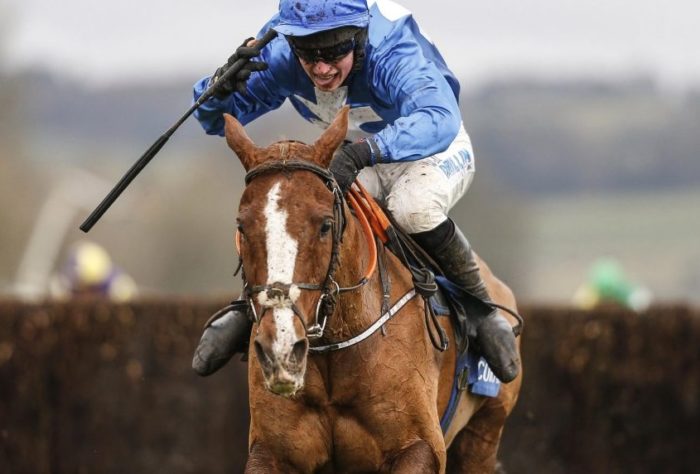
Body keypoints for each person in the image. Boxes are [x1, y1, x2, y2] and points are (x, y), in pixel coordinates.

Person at [191, 0, 520, 383]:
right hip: (353, 152)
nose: (321, 68)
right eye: (308, 55)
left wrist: (366, 151)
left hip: (430, 148)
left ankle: (481, 309)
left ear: (359, 37)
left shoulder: (393, 50)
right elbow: (217, 120)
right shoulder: (281, 53)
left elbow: (439, 118)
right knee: (302, 211)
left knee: (411, 208)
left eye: (333, 53)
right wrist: (219, 86)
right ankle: (254, 309)